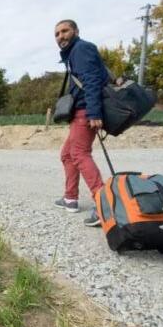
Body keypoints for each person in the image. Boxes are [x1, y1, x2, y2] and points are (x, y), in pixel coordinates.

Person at [52, 20, 110, 227]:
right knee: (67, 155)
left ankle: (105, 206)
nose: (61, 36)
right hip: (81, 111)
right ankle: (70, 198)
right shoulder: (73, 53)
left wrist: (94, 112)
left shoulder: (81, 49)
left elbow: (92, 80)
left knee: (78, 154)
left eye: (65, 31)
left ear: (76, 31)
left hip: (85, 111)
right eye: (57, 33)